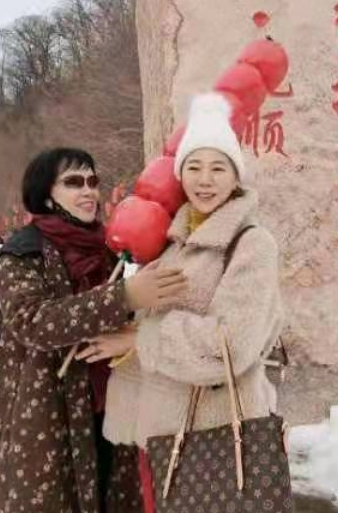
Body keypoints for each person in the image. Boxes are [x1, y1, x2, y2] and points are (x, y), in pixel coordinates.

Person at [86, 94, 284, 511]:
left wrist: (139, 339)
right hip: (160, 436)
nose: (204, 180)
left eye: (218, 168)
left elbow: (231, 344)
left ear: (236, 176)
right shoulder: (173, 245)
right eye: (194, 167)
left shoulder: (251, 245)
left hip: (212, 435)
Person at [0, 147, 188, 513]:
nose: (88, 191)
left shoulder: (105, 249)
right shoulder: (22, 254)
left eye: (92, 181)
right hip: (43, 412)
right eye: (73, 182)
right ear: (45, 195)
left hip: (105, 404)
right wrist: (123, 296)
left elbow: (113, 320)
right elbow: (33, 322)